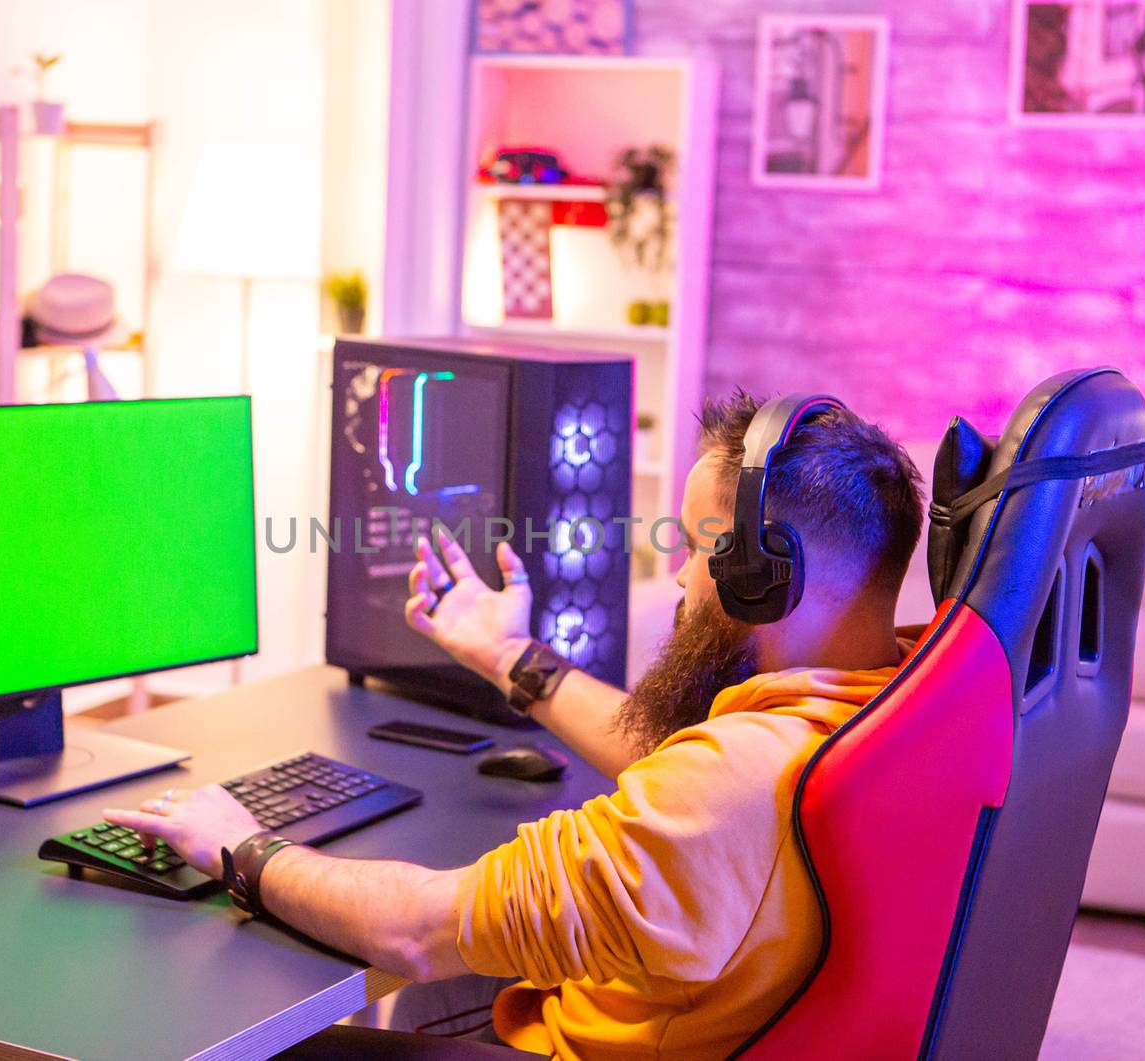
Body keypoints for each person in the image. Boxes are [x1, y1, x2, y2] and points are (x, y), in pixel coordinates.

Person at [104, 393, 925, 1060]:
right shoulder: (884, 699)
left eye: (697, 549)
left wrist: (243, 847)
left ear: (764, 574)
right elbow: (670, 757)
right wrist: (509, 656)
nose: (678, 577)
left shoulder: (730, 785)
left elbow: (418, 926)